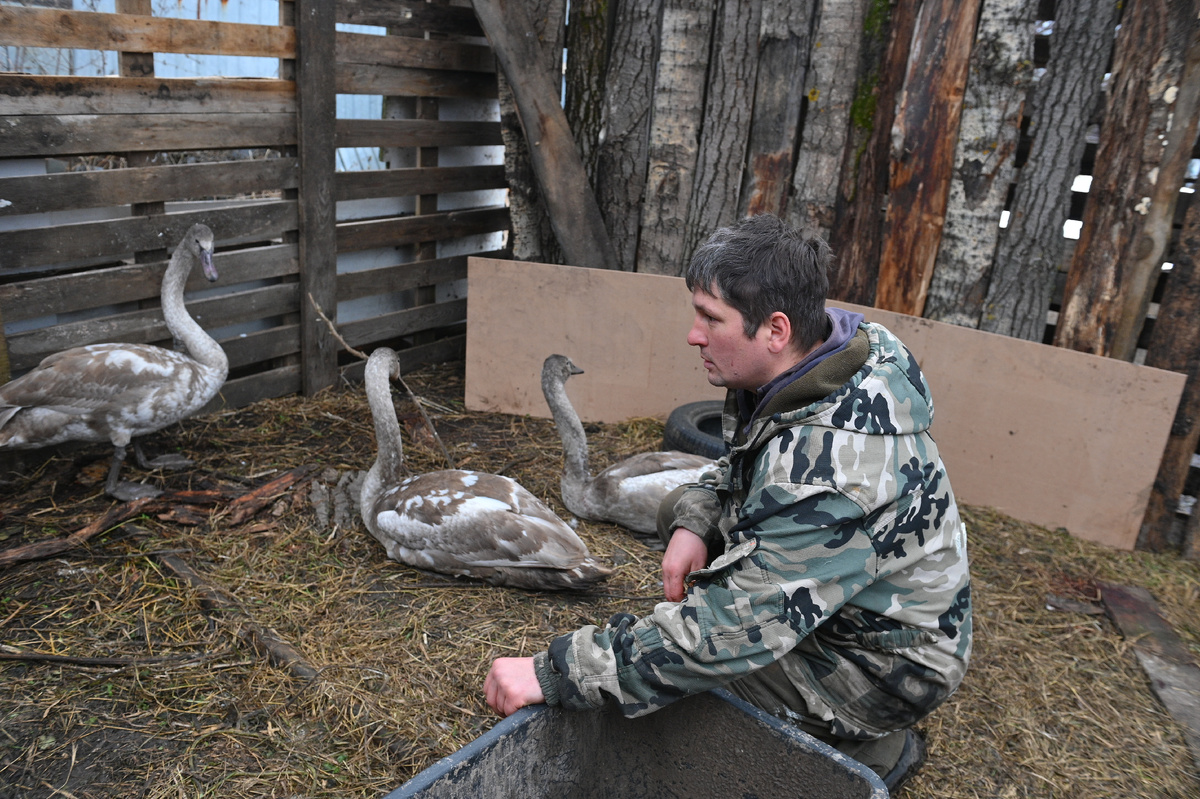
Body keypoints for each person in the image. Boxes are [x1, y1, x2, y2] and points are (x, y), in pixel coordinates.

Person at [485, 213, 972, 792]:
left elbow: (729, 631)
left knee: (675, 695)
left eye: (711, 319)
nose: (693, 335)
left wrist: (557, 672)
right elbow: (743, 465)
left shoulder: (831, 471)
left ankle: (868, 743)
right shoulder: (828, 360)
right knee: (676, 513)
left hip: (887, 665)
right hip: (860, 605)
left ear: (775, 329)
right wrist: (694, 521)